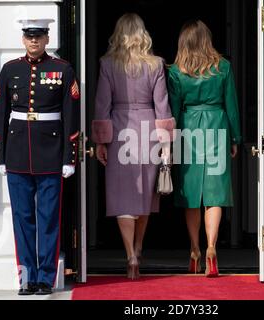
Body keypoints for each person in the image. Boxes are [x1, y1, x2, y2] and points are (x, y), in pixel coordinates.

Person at [0, 19, 80, 295]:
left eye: (39, 36)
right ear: (23, 40)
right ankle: (26, 278)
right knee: (22, 218)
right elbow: (0, 114)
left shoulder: (62, 69)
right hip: (17, 152)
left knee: (48, 218)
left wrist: (69, 157)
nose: (34, 41)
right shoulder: (10, 70)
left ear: (46, 38)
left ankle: (45, 278)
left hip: (51, 153)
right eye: (29, 37)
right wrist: (0, 155)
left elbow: (71, 114)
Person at [92, 13, 175, 280]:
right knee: (143, 196)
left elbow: (102, 103)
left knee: (122, 195)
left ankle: (129, 253)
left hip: (119, 130)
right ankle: (139, 248)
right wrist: (167, 145)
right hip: (148, 129)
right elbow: (162, 104)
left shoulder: (107, 63)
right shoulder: (156, 64)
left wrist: (100, 141)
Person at [168, 20, 242, 277]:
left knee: (191, 194)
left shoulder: (176, 71)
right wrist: (235, 138)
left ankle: (194, 249)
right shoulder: (223, 67)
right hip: (217, 126)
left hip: (188, 128)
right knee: (215, 193)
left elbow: (174, 108)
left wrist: (170, 139)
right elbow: (231, 105)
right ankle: (212, 247)